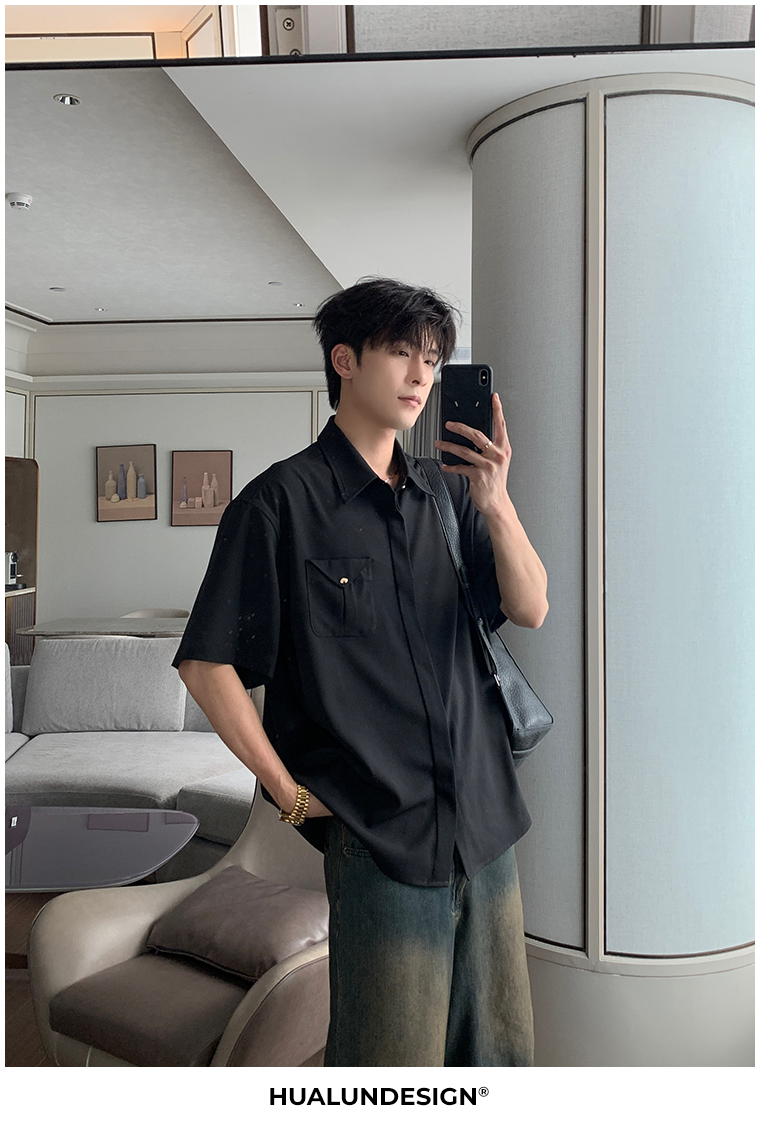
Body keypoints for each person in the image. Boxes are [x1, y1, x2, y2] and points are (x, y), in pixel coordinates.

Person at [174, 277, 548, 1067]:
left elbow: (532, 606)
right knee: (389, 1061)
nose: (421, 375)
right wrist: (286, 793)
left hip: (485, 821)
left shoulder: (447, 496)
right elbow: (207, 664)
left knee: (498, 1057)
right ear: (344, 360)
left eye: (433, 358)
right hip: (380, 835)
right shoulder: (278, 504)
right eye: (402, 352)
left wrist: (497, 501)